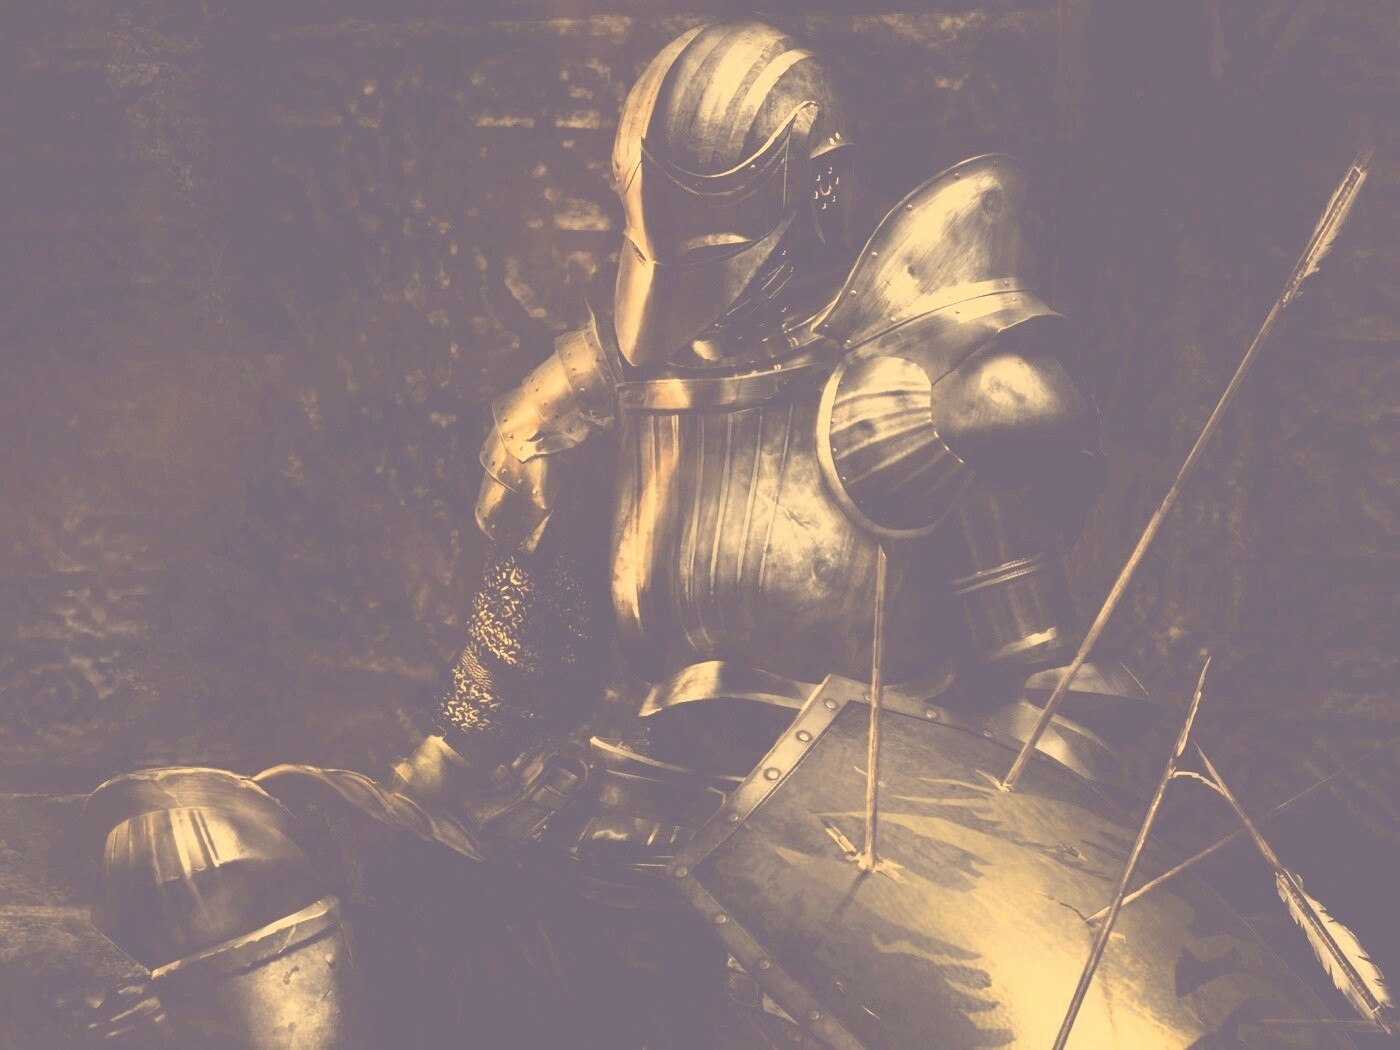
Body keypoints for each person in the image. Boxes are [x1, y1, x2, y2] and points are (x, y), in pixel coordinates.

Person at [85, 20, 1148, 1049]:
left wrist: (963, 891)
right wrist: (398, 812)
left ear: (818, 191)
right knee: (192, 847)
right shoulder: (596, 398)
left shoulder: (930, 396)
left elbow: (1048, 695)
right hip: (609, 862)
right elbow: (508, 684)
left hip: (846, 908)